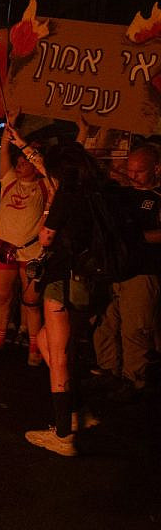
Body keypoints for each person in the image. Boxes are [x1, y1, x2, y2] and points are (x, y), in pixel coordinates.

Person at [26, 142, 104, 456]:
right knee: (50, 342)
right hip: (88, 279)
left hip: (62, 278)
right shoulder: (96, 192)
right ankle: (77, 411)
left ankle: (62, 435)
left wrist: (48, 217)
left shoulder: (67, 195)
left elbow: (47, 236)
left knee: (58, 355)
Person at [93, 143, 161, 399]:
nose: (132, 176)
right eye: (130, 170)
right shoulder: (123, 194)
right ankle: (109, 370)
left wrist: (134, 238)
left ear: (156, 169)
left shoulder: (156, 198)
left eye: (139, 171)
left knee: (134, 329)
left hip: (143, 271)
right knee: (107, 322)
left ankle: (134, 380)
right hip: (116, 270)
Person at [0, 113, 48, 362]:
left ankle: (34, 349)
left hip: (31, 251)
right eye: (19, 160)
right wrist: (7, 127)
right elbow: (3, 153)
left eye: (26, 160)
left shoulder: (45, 184)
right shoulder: (9, 179)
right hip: (5, 248)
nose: (21, 163)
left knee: (31, 301)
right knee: (2, 297)